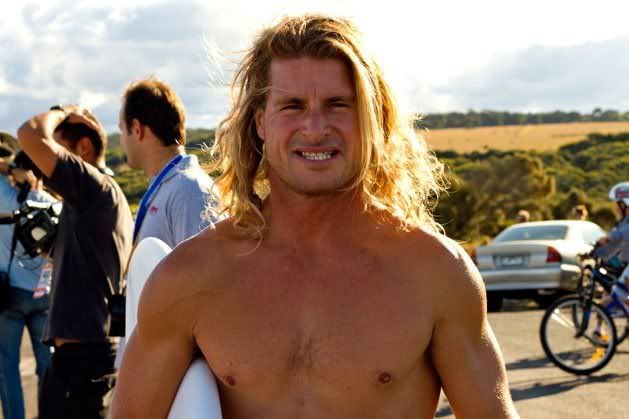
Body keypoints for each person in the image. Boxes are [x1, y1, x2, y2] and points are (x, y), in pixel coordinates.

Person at [112, 14, 518, 418]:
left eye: (338, 104)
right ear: (259, 122)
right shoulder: (188, 277)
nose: (315, 127)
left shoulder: (437, 274)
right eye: (292, 106)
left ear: (373, 118)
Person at [17, 106, 134, 418]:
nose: (47, 164)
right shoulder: (98, 198)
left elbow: (29, 135)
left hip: (83, 357)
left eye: (59, 148)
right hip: (82, 354)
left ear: (83, 148)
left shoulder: (94, 187)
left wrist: (63, 111)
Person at [119, 77, 218, 247]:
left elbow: (206, 263)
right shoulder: (174, 186)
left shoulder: (189, 190)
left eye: (121, 129)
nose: (121, 141)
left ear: (137, 129)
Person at [0, 151, 57, 419]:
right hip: (43, 295)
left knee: (7, 367)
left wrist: (8, 169)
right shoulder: (50, 204)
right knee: (47, 366)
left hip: (8, 294)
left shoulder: (3, 195)